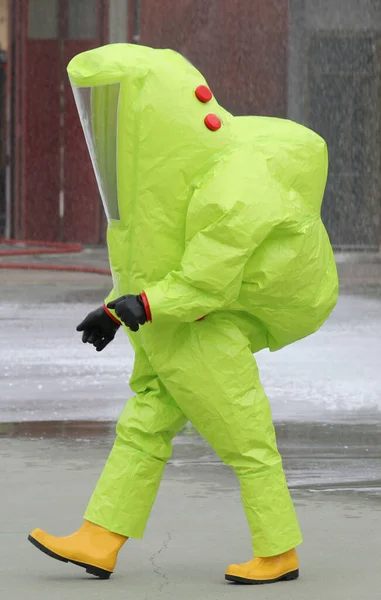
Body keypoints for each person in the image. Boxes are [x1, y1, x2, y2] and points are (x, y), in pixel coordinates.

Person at [28, 43, 338, 584]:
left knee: (245, 439)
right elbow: (153, 259)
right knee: (145, 426)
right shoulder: (162, 186)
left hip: (202, 327)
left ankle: (278, 552)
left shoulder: (230, 186)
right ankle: (100, 539)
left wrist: (131, 309)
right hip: (172, 330)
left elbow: (203, 282)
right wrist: (116, 309)